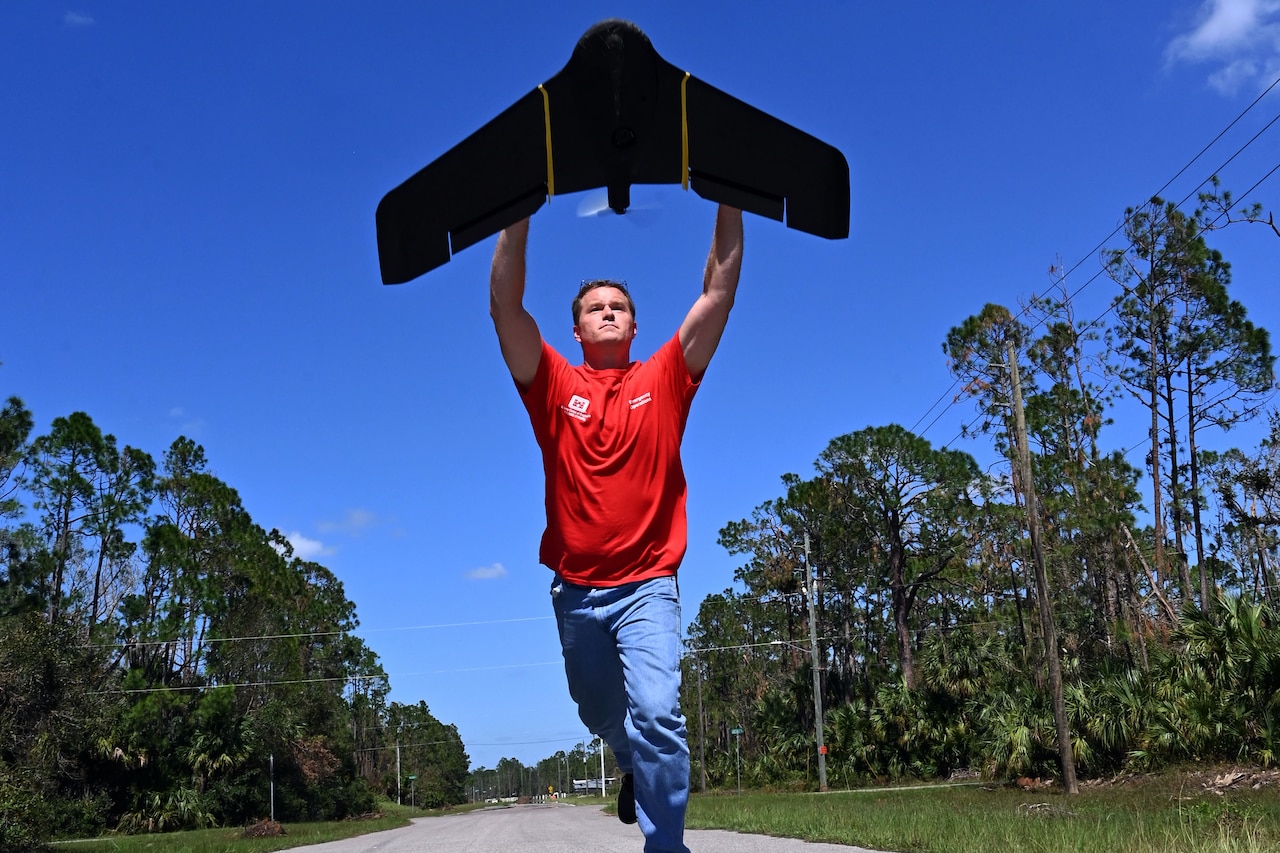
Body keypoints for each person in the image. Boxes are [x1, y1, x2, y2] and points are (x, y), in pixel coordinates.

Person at [489, 203, 743, 853]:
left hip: (648, 586)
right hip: (575, 591)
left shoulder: (664, 378)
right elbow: (506, 308)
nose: (607, 311)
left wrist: (730, 193)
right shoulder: (552, 384)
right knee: (598, 711)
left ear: (634, 324)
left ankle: (667, 845)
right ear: (574, 329)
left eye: (618, 306)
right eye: (594, 306)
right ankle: (632, 763)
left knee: (658, 711)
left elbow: (718, 290)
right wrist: (514, 215)